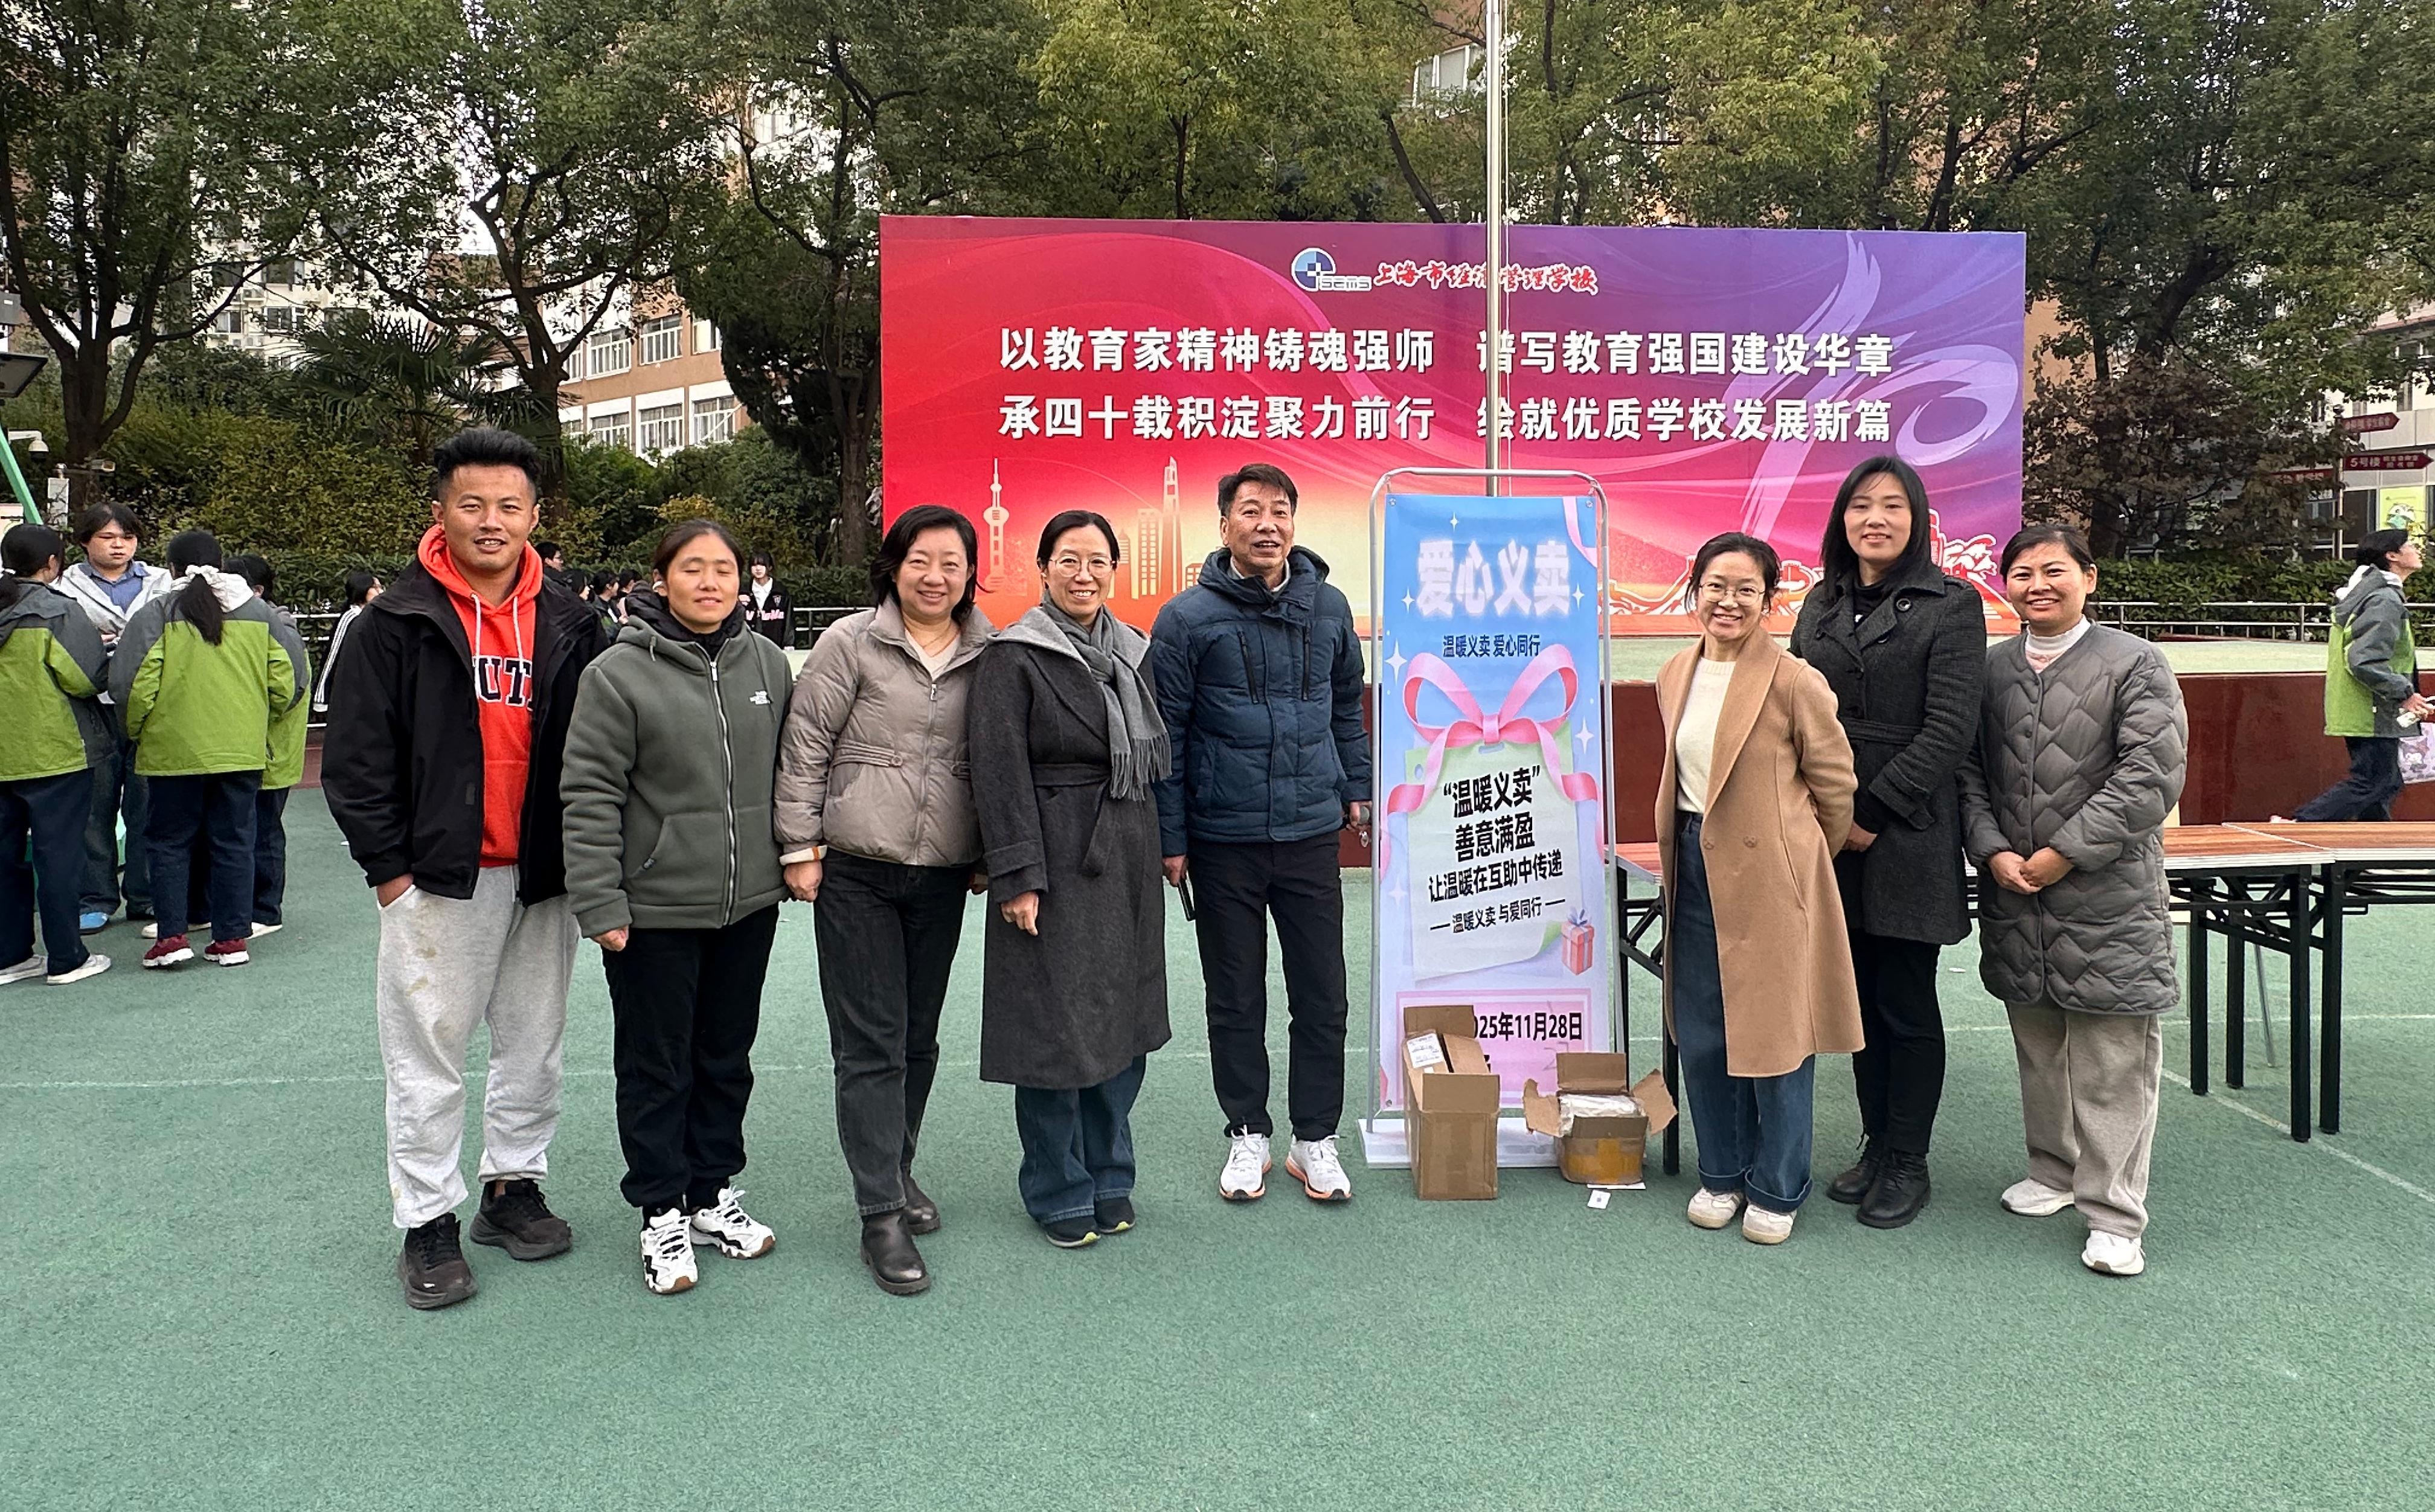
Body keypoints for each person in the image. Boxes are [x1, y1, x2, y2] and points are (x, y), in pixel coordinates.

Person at [324, 426, 609, 1312]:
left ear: (535, 516)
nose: (492, 521)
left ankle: (512, 1186)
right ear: (440, 510)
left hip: (544, 872)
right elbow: (356, 758)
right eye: (473, 503)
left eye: (509, 506)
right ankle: (427, 1219)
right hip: (439, 874)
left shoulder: (572, 620)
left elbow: (604, 746)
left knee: (535, 1043)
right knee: (428, 1055)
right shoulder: (394, 622)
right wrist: (389, 870)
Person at [562, 521, 794, 1296]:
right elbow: (589, 792)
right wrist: (600, 899)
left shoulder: (767, 662)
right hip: (652, 909)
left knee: (725, 1058)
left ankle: (710, 1193)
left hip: (747, 905)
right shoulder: (617, 673)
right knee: (656, 1066)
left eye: (724, 568)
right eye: (692, 568)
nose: (710, 581)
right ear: (660, 580)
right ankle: (660, 1208)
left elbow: (793, 769)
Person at [776, 505, 993, 1295]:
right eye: (920, 561)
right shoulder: (850, 642)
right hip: (856, 870)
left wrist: (990, 852)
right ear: (894, 567)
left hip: (942, 874)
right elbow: (805, 746)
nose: (935, 577)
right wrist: (798, 846)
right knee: (871, 1042)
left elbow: (999, 758)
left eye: (951, 563)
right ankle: (880, 1216)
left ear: (970, 574)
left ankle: (896, 1167)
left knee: (919, 1038)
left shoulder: (991, 651)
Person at [1961, 525, 2186, 1279]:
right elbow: (1969, 773)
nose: (2038, 585)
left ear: (2089, 577)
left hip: (2107, 895)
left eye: (2054, 570)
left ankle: (2115, 1215)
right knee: (2039, 1047)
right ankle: (2053, 1170)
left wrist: (2064, 852)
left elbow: (2150, 776)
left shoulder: (2135, 662)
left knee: (2111, 1060)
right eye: (2022, 572)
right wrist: (1991, 847)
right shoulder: (1991, 669)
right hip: (2016, 893)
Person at [1148, 463, 1369, 1203]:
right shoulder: (1185, 619)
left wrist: (1356, 786)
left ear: (1293, 524)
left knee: (1323, 993)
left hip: (1309, 832)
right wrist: (1171, 836)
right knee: (1236, 995)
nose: (1266, 524)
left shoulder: (1329, 606)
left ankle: (1315, 1138)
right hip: (1223, 838)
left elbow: (1346, 706)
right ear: (1225, 526)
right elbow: (1168, 735)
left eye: (1279, 510)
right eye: (1250, 511)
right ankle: (1248, 1132)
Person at [1788, 456, 1986, 1229]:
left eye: (1893, 505)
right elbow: (1793, 709)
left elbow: (1950, 728)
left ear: (1918, 519)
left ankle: (1909, 1159)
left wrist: (1870, 810)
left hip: (1906, 831)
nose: (1875, 518)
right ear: (1842, 519)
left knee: (1905, 999)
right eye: (1861, 505)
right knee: (1857, 1000)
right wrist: (1821, 810)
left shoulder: (1952, 605)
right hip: (1825, 827)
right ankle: (1876, 1145)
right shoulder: (1821, 604)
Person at [967, 510, 1172, 1248]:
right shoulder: (1014, 655)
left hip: (1129, 849)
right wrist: (1018, 875)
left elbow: (1158, 759)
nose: (1084, 575)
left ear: (1114, 570)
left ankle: (1110, 1172)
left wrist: (1168, 848)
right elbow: (997, 772)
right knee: (1054, 1027)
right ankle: (1056, 1185)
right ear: (1044, 568)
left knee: (1125, 1018)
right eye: (1069, 560)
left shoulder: (1133, 652)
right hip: (1054, 859)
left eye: (1097, 561)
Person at [1655, 532, 1862, 1246]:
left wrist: (1795, 853)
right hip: (1691, 861)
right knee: (1704, 1028)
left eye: (1747, 589)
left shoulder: (1795, 680)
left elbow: (1835, 788)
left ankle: (1777, 1185)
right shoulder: (1674, 671)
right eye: (1716, 585)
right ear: (1695, 591)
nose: (1729, 601)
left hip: (1772, 872)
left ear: (1769, 600)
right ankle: (1721, 1173)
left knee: (1778, 1036)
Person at [109, 532, 304, 970]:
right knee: (235, 841)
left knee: (169, 843)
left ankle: (172, 937)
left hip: (171, 750)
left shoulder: (157, 613)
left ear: (171, 568)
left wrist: (140, 730)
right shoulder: (259, 613)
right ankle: (232, 938)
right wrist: (255, 720)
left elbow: (130, 685)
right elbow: (287, 681)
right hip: (242, 750)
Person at [0, 524, 114, 986]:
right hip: (55, 751)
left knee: (4, 859)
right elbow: (86, 679)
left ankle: (10, 956)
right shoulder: (58, 611)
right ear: (52, 563)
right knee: (59, 857)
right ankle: (66, 957)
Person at [56, 502, 173, 933]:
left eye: (127, 537)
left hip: (147, 705)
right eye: (107, 537)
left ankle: (145, 895)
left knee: (148, 803)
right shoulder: (64, 587)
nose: (118, 545)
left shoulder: (162, 581)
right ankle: (96, 897)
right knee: (94, 806)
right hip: (90, 706)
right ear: (85, 542)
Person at [2286, 529, 2427, 822]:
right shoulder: (2384, 600)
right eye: (2410, 545)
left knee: (2383, 782)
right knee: (2375, 782)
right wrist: (2405, 693)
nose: (2418, 549)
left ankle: (2374, 846)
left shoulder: (2367, 593)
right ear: (2392, 556)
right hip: (2372, 709)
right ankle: (2300, 826)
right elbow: (2364, 660)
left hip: (2362, 707)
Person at [229, 554, 309, 937]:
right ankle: (234, 906)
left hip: (269, 748)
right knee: (239, 829)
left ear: (257, 591)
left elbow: (288, 690)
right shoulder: (250, 623)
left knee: (264, 830)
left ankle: (265, 909)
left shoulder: (278, 627)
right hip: (247, 746)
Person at [313, 571, 382, 716]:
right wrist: (321, 698)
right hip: (350, 693)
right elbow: (332, 656)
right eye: (375, 587)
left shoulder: (376, 617)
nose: (380, 591)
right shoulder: (351, 617)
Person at [745, 551, 794, 649]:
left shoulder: (781, 591)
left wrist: (789, 644)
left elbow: (788, 620)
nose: (758, 568)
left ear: (770, 567)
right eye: (754, 565)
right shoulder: (743, 592)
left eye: (762, 565)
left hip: (775, 645)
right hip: (749, 646)